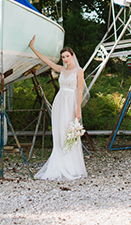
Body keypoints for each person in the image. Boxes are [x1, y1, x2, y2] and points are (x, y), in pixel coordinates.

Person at [29, 35, 87, 180]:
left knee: (70, 132)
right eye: (63, 57)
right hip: (60, 102)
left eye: (67, 56)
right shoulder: (62, 69)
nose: (65, 59)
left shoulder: (79, 71)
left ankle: (71, 166)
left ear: (72, 56)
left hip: (71, 103)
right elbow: (46, 61)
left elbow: (80, 90)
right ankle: (59, 164)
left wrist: (78, 108)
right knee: (60, 132)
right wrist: (33, 48)